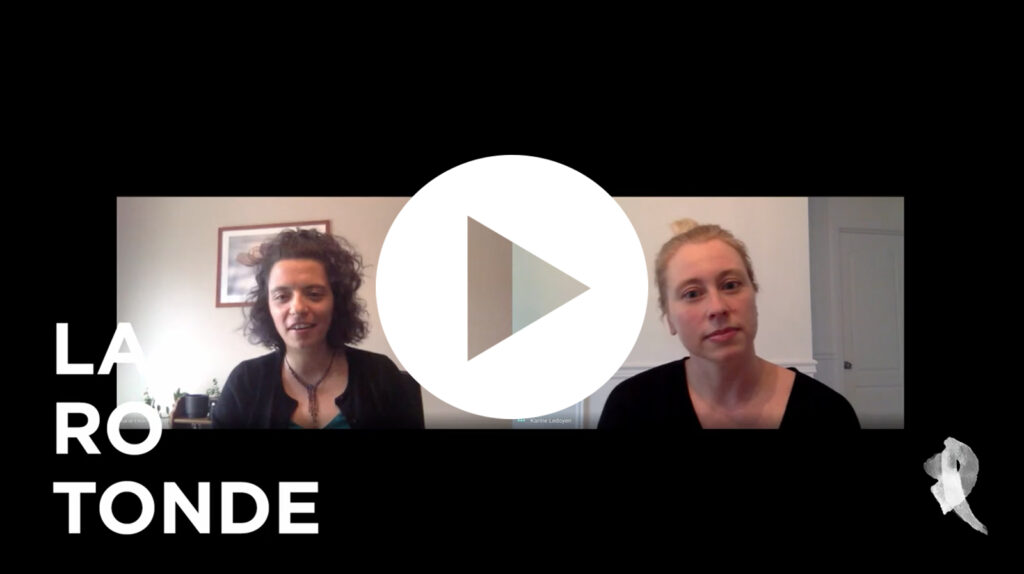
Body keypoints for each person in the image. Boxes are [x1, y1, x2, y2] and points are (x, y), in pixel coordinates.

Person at [598, 219, 859, 429]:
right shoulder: (631, 407)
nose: (717, 307)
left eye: (730, 285)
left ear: (754, 293)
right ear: (669, 318)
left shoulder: (829, 412)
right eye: (692, 293)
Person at [212, 229, 424, 429]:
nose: (297, 308)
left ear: (336, 302)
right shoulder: (245, 383)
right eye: (282, 296)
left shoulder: (381, 376)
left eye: (314, 294)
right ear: (267, 307)